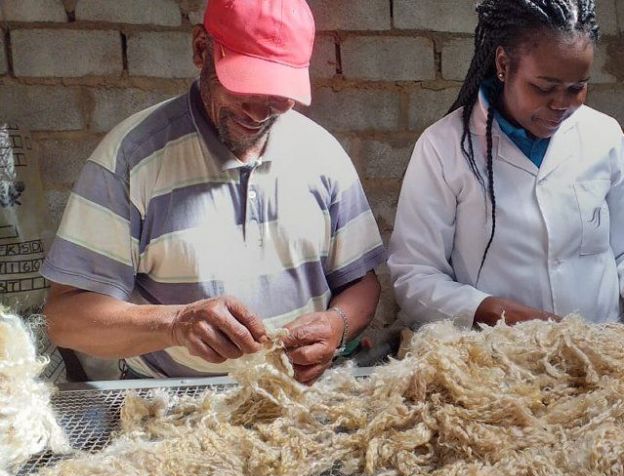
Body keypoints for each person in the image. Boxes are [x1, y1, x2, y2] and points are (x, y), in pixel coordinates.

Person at [40, 0, 385, 384]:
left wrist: (338, 324)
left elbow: (361, 283)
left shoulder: (322, 155)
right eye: (245, 87)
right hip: (172, 402)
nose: (259, 113)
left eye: (278, 95)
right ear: (201, 49)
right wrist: (176, 323)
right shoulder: (131, 160)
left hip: (298, 396)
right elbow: (65, 319)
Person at [387, 0, 624, 328]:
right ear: (503, 64)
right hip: (494, 353)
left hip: (599, 344)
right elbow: (415, 276)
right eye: (543, 87)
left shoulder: (604, 135)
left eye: (577, 88)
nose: (561, 104)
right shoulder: (443, 147)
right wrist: (494, 312)